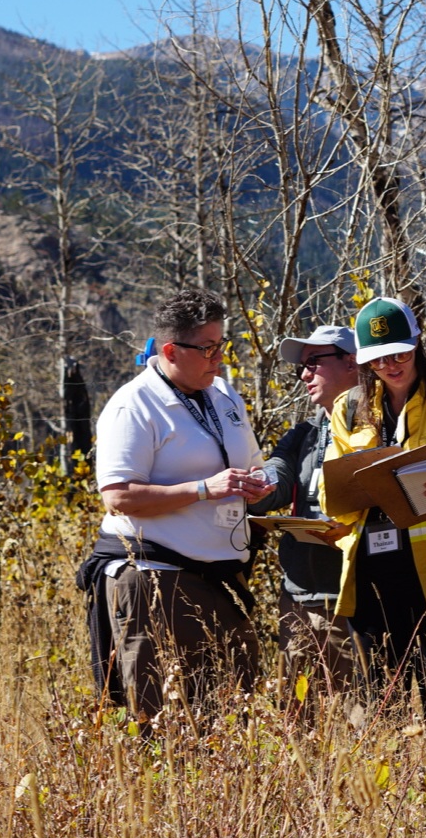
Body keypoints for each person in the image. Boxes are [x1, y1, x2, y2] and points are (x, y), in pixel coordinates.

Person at [75, 288, 274, 723]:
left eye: (222, 345)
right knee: (167, 723)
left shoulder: (224, 396)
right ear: (170, 350)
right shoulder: (134, 405)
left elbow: (250, 466)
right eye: (206, 348)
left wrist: (257, 485)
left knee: (234, 718)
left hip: (223, 579)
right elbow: (119, 497)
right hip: (156, 582)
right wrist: (205, 489)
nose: (218, 357)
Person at [325, 296, 426, 766]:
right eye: (377, 358)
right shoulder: (349, 407)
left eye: (398, 352)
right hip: (372, 576)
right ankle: (391, 802)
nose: (390, 365)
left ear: (418, 344)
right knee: (381, 703)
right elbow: (334, 480)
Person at [250, 325, 361, 700]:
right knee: (299, 726)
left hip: (352, 603)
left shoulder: (380, 430)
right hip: (297, 600)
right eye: (302, 365)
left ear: (352, 362)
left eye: (314, 362)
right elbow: (275, 476)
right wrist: (257, 485)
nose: (304, 374)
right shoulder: (303, 436)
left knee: (362, 724)